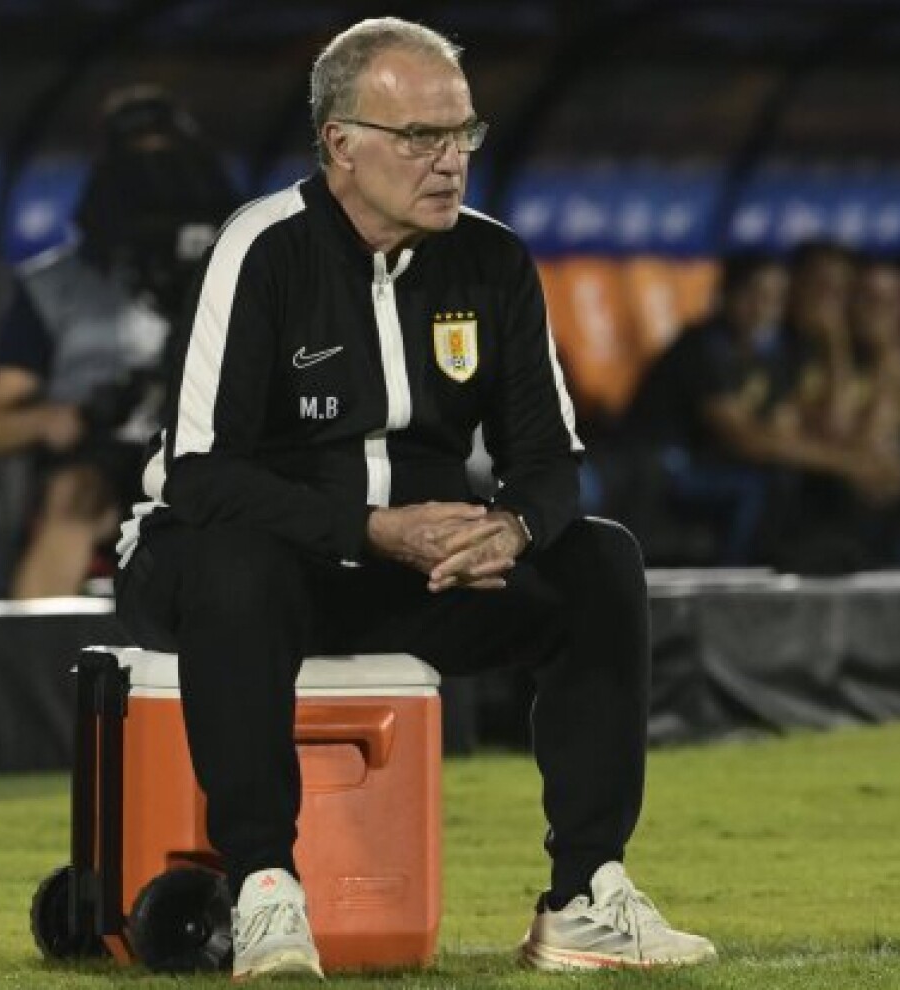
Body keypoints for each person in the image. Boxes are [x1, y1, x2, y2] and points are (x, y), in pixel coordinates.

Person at [113, 17, 715, 980]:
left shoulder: (494, 261)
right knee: (237, 562)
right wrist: (366, 530)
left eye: (463, 134)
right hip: (240, 561)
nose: (450, 162)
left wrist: (511, 529)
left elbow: (551, 461)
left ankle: (584, 894)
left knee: (600, 558)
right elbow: (200, 474)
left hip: (412, 571)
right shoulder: (261, 249)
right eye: (420, 138)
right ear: (340, 145)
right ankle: (265, 886)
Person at [0, 86, 235, 598]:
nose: (157, 177)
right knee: (76, 497)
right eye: (138, 159)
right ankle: (31, 662)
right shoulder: (56, 286)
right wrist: (56, 419)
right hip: (102, 459)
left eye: (166, 155)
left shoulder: (237, 268)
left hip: (210, 452)